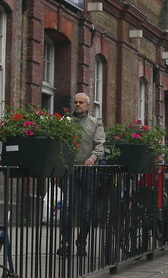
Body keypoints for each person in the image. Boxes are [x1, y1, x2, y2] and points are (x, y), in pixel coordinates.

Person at [57, 92, 106, 257]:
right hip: (70, 171)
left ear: (87, 106)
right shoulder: (66, 122)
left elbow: (100, 146)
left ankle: (81, 242)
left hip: (88, 172)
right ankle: (65, 243)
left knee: (86, 210)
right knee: (68, 207)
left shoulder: (95, 123)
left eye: (81, 102)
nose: (77, 105)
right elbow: (59, 144)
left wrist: (92, 159)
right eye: (76, 102)